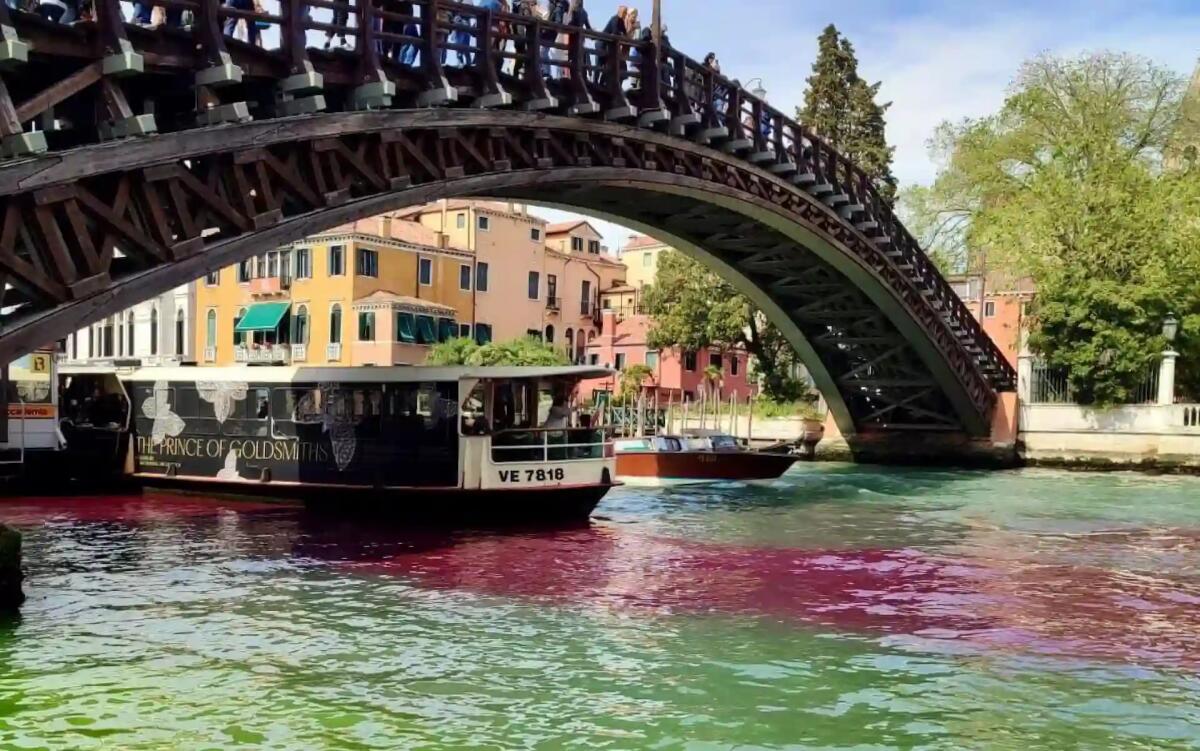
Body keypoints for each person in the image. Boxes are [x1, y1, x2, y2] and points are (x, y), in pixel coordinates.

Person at [597, 5, 626, 86]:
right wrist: (621, 34)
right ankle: (596, 83)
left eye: (626, 13)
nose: (625, 14)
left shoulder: (621, 21)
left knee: (608, 65)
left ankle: (602, 83)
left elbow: (625, 32)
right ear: (620, 12)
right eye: (624, 12)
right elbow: (615, 31)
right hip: (602, 44)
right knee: (600, 64)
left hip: (608, 45)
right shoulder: (615, 19)